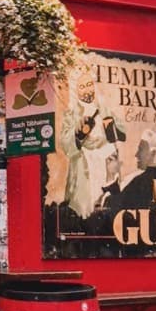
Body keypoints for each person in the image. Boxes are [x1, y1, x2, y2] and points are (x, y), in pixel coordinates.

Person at [60, 67, 125, 219]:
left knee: (108, 205)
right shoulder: (71, 113)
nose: (87, 89)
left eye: (89, 84)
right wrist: (79, 132)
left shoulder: (103, 108)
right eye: (82, 86)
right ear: (76, 89)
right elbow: (65, 143)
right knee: (86, 209)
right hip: (86, 163)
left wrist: (112, 126)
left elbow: (121, 132)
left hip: (107, 162)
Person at [101, 128, 156, 211]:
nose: (136, 155)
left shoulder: (142, 182)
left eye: (141, 149)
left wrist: (110, 176)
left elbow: (116, 205)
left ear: (153, 153)